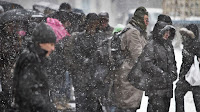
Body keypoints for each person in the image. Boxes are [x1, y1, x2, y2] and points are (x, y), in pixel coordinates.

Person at [12, 22, 57, 112]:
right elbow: (28, 91)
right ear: (41, 43)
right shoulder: (31, 59)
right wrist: (47, 108)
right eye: (51, 44)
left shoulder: (36, 57)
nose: (53, 49)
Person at [110, 6, 149, 112]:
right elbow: (138, 55)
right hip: (129, 76)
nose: (147, 23)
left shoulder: (137, 31)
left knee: (128, 107)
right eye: (146, 20)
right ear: (140, 19)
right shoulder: (133, 32)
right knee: (127, 107)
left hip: (129, 75)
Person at [71, 13, 106, 112]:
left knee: (95, 105)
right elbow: (76, 53)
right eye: (91, 23)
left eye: (95, 23)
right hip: (82, 76)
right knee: (82, 104)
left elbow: (104, 54)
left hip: (96, 77)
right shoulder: (80, 37)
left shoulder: (100, 37)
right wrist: (86, 61)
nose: (92, 26)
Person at [140, 21, 177, 112]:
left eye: (169, 32)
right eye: (165, 32)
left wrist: (173, 73)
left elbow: (172, 62)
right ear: (159, 32)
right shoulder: (151, 45)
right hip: (155, 88)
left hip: (167, 88)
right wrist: (161, 74)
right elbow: (146, 64)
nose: (167, 34)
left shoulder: (168, 46)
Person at [175, 24, 200, 112]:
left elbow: (187, 63)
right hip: (194, 79)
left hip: (192, 78)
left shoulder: (193, 45)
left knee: (178, 93)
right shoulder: (189, 44)